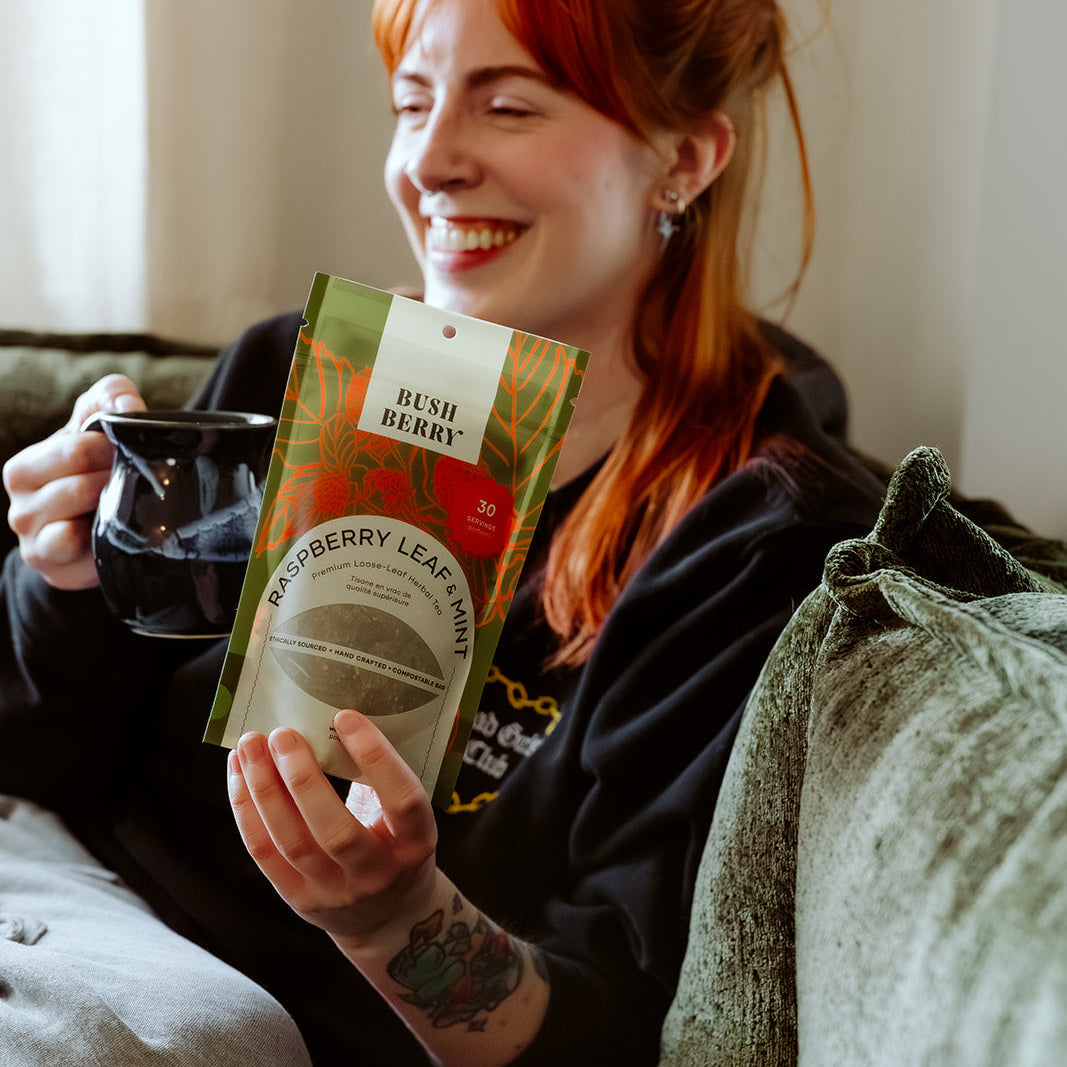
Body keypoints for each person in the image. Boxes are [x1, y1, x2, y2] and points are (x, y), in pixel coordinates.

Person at [0, 0, 886, 1064]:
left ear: (684, 157)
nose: (429, 161)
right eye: (410, 102)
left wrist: (398, 921)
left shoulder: (748, 543)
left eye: (506, 106)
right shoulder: (292, 379)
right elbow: (42, 755)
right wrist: (63, 576)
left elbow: (610, 1025)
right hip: (54, 888)